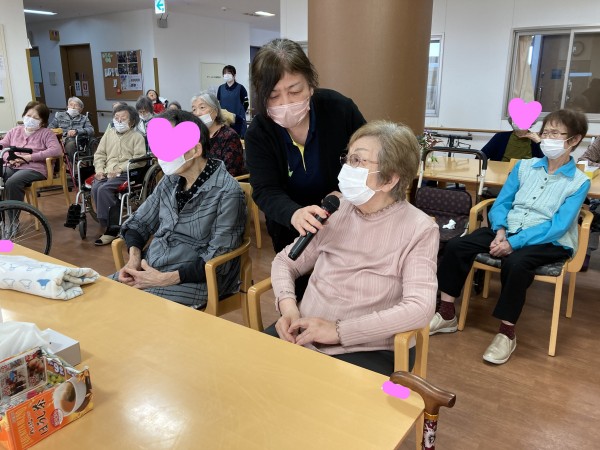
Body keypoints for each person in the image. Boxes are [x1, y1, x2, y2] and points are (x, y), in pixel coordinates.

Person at [266, 121, 438, 375]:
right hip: (304, 331)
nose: (347, 168)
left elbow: (420, 308)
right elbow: (285, 262)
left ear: (389, 179)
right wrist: (288, 307)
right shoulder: (336, 210)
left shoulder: (419, 229)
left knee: (316, 396)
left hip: (366, 348)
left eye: (358, 161)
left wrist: (337, 331)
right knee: (249, 380)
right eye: (348, 159)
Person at [430, 109, 590, 365]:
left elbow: (559, 225)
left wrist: (513, 243)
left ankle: (507, 334)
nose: (548, 138)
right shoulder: (524, 167)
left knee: (516, 263)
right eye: (546, 132)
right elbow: (502, 202)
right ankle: (447, 313)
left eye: (555, 134)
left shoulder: (579, 181)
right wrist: (501, 230)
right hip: (508, 229)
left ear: (574, 140)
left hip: (549, 240)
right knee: (458, 245)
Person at [113, 109, 246, 308]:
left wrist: (162, 279)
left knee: (132, 307)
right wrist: (134, 259)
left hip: (195, 280)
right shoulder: (170, 180)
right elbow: (139, 222)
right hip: (153, 266)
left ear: (195, 150)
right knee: (102, 292)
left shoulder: (227, 192)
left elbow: (219, 259)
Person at [245, 38, 366, 256]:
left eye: (294, 91)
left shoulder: (339, 110)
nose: (285, 103)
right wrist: (294, 213)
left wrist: (348, 193)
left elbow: (370, 158)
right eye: (273, 96)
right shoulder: (259, 132)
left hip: (348, 223)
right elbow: (265, 189)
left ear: (310, 85)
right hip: (292, 233)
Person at [92, 104, 146, 246]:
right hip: (107, 171)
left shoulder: (137, 137)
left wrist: (120, 169)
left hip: (126, 172)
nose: (119, 121)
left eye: (123, 118)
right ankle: (106, 222)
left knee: (104, 189)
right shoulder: (109, 134)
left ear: (132, 122)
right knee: (95, 187)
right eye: (116, 118)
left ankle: (112, 229)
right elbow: (99, 154)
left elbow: (140, 159)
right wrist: (99, 170)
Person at [0, 102, 62, 208]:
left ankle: (12, 217)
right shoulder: (15, 131)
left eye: (35, 118)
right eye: (28, 115)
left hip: (35, 168)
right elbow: (2, 147)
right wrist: (9, 159)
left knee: (12, 182)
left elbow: (56, 150)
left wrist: (29, 157)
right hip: (13, 165)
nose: (30, 119)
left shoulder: (47, 133)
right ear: (24, 115)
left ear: (42, 122)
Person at [191, 91, 246, 177]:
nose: (197, 113)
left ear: (216, 111)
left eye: (202, 107)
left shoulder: (229, 136)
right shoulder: (197, 137)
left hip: (223, 182)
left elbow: (230, 172)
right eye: (194, 109)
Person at [48, 96, 95, 161]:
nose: (73, 107)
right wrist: (60, 133)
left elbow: (91, 130)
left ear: (81, 109)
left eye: (76, 105)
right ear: (67, 106)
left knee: (70, 145)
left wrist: (77, 131)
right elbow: (50, 128)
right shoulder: (59, 116)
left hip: (76, 141)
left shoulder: (84, 118)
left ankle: (70, 164)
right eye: (71, 105)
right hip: (60, 140)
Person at [217, 65, 249, 137]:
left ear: (234, 75)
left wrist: (240, 114)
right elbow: (218, 103)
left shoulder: (241, 88)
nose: (226, 75)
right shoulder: (221, 88)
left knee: (238, 139)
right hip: (225, 121)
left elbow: (246, 103)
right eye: (225, 73)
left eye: (229, 73)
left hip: (237, 121)